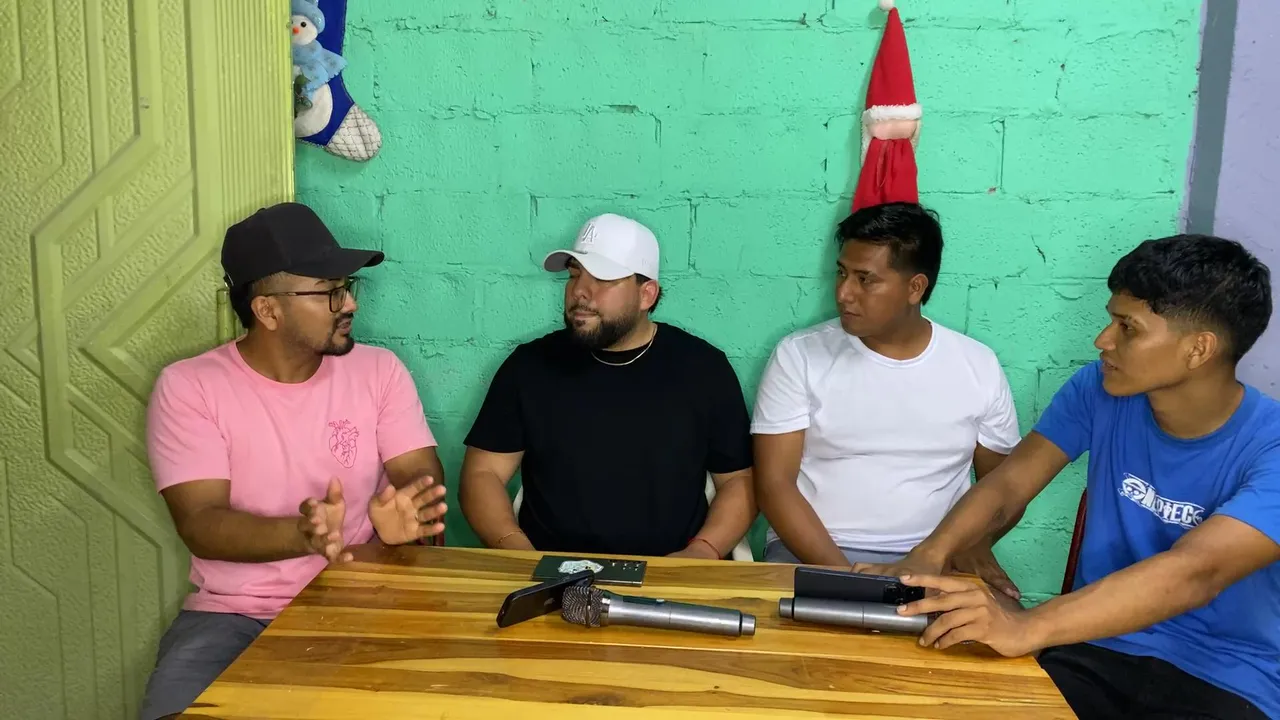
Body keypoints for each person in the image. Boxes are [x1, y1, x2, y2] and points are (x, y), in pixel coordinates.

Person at [859, 235, 1279, 720]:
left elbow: (1197, 572)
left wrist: (1027, 627)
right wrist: (928, 558)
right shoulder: (1098, 389)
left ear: (1198, 349)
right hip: (1095, 650)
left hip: (1229, 680)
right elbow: (1009, 485)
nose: (1103, 340)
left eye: (1128, 327)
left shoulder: (1270, 444)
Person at [139, 202, 448, 719]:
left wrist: (407, 516)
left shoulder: (379, 371)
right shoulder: (190, 387)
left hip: (360, 600)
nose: (349, 303)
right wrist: (302, 535)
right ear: (268, 311)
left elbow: (417, 474)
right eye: (329, 291)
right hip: (233, 617)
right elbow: (200, 523)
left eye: (348, 286)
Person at [751, 202, 1023, 597]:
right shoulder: (799, 355)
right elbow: (775, 486)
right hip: (812, 555)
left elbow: (1007, 487)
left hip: (932, 559)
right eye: (842, 273)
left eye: (865, 279)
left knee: (1005, 631)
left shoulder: (977, 364)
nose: (843, 293)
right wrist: (853, 583)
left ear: (915, 288)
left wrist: (961, 548)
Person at [458, 213, 756, 559]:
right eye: (574, 275)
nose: (579, 291)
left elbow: (739, 481)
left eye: (602, 278)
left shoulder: (702, 369)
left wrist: (703, 551)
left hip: (670, 572)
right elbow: (483, 474)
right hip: (550, 572)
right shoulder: (530, 367)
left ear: (646, 294)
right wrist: (519, 552)